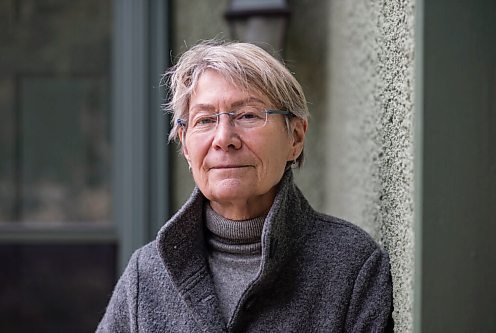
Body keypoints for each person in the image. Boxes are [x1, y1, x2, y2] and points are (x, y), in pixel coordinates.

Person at [97, 41, 393, 332]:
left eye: (248, 115)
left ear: (296, 138)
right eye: (205, 120)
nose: (224, 138)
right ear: (185, 146)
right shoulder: (146, 275)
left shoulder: (352, 267)